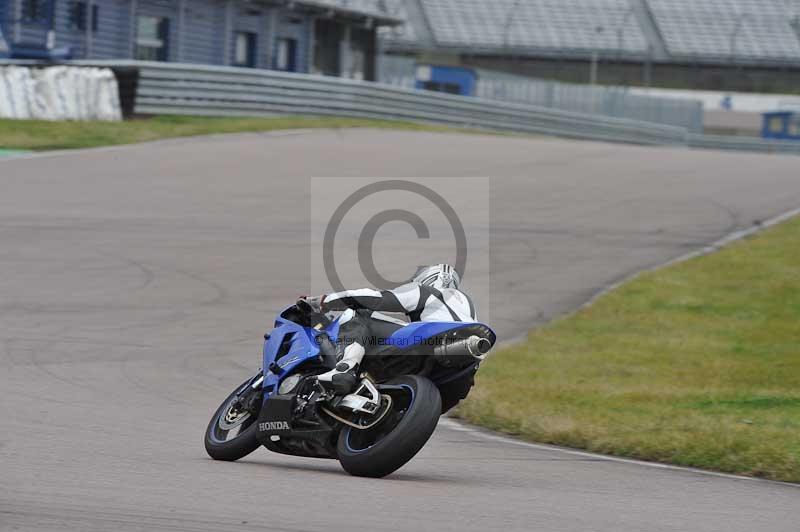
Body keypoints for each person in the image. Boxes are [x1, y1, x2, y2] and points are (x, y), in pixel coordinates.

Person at [302, 264, 476, 394]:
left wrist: (324, 301)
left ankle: (344, 369)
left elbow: (376, 299)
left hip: (430, 339)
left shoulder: (426, 291)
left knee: (359, 313)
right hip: (462, 369)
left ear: (428, 278)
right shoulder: (467, 305)